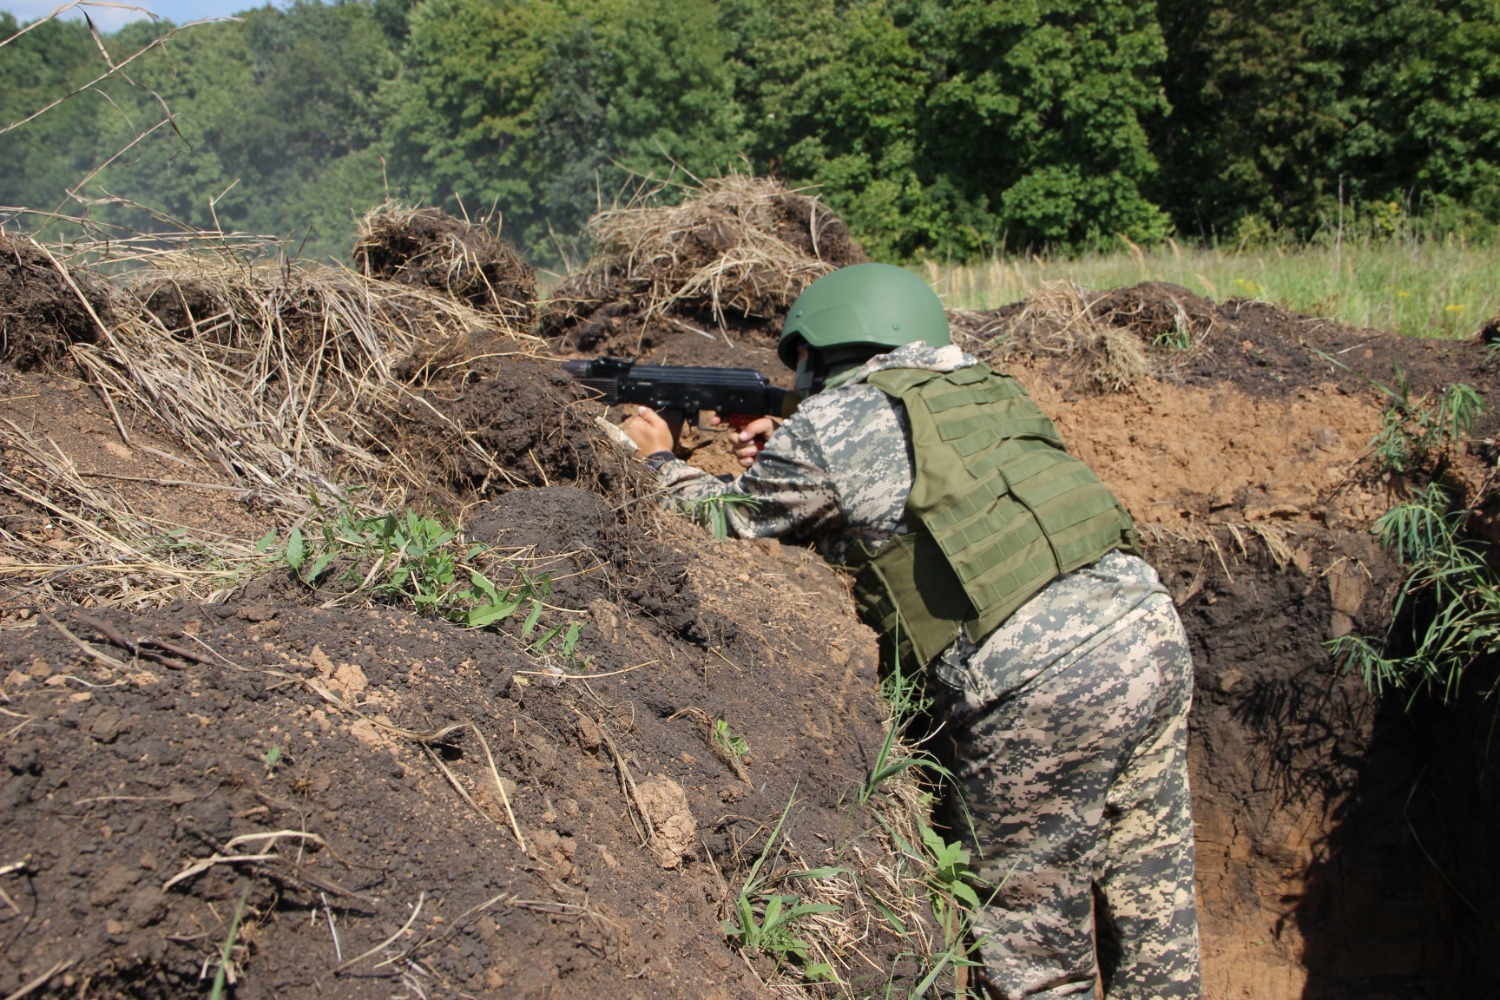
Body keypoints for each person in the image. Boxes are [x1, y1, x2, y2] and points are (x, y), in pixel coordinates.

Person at [621, 263, 1200, 999]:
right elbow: (916, 490)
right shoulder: (981, 386)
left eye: (801, 365)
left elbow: (718, 518)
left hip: (1042, 688)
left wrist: (657, 461)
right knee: (1155, 916)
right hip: (1145, 631)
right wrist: (800, 439)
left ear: (825, 351)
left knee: (1031, 959)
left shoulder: (832, 428)